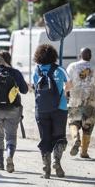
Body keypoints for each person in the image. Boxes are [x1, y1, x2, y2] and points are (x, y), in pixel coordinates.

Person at [33, 44, 72, 179]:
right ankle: (57, 161)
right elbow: (69, 85)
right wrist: (62, 92)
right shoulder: (60, 69)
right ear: (54, 56)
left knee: (45, 138)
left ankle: (46, 170)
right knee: (60, 137)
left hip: (41, 109)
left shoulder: (36, 70)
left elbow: (35, 88)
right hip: (60, 108)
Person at [66, 48, 95, 158]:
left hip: (75, 101)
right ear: (90, 56)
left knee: (73, 123)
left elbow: (67, 84)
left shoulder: (72, 66)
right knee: (87, 127)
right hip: (90, 101)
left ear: (80, 55)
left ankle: (75, 139)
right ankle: (83, 152)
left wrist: (65, 96)